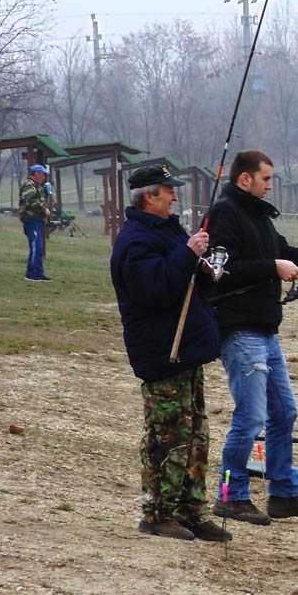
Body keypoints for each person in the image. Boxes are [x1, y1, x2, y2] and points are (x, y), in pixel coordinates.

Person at [207, 150, 298, 525]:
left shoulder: (260, 217)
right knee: (250, 418)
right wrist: (273, 267)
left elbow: (283, 253)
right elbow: (220, 271)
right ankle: (230, 496)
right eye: (266, 179)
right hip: (239, 329)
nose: (271, 185)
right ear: (245, 179)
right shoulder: (224, 214)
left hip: (266, 329)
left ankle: (283, 493)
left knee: (284, 412)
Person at [110, 165, 228, 542]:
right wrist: (186, 253)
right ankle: (157, 513)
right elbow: (154, 288)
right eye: (167, 190)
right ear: (149, 196)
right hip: (162, 353)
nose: (174, 196)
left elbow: (188, 278)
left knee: (195, 435)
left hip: (187, 351)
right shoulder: (134, 241)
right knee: (166, 436)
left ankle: (191, 511)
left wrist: (206, 265)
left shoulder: (168, 231)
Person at [18, 163, 54, 281]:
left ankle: (37, 273)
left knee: (38, 247)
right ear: (37, 174)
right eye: (43, 174)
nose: (44, 176)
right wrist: (45, 210)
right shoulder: (28, 185)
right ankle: (33, 275)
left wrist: (46, 192)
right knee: (35, 247)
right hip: (31, 220)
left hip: (38, 220)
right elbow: (32, 201)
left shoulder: (37, 186)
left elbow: (42, 200)